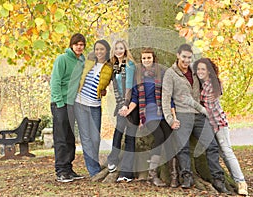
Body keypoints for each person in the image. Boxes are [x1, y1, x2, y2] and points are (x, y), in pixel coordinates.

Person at [161, 44, 230, 193]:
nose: (186, 60)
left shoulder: (194, 70)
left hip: (199, 115)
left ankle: (218, 179)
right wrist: (170, 119)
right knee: (182, 147)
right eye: (184, 57)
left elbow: (209, 80)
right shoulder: (170, 74)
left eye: (189, 57)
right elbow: (165, 98)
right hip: (182, 115)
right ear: (178, 55)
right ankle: (186, 176)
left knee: (211, 145)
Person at [123, 48, 178, 187]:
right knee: (159, 138)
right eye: (144, 58)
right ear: (141, 61)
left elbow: (168, 96)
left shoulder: (162, 74)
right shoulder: (139, 76)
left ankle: (174, 176)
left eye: (149, 58)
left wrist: (173, 116)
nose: (146, 60)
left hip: (163, 112)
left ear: (153, 58)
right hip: (148, 115)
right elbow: (135, 97)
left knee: (170, 139)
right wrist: (128, 109)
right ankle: (152, 175)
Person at [192, 57, 248, 195]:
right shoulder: (201, 83)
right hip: (209, 124)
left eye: (203, 69)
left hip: (218, 123)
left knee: (227, 152)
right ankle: (236, 180)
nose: (200, 71)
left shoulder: (211, 84)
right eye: (198, 69)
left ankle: (241, 182)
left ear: (209, 71)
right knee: (220, 152)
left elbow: (209, 109)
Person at [74, 40, 113, 177]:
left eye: (102, 49)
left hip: (95, 105)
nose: (99, 52)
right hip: (80, 103)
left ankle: (94, 165)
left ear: (106, 51)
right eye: (97, 49)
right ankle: (93, 170)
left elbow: (110, 83)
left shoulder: (110, 67)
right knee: (86, 138)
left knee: (95, 138)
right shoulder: (88, 62)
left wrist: (103, 91)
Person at [50, 33, 86, 183]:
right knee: (61, 137)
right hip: (60, 104)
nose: (79, 47)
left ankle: (69, 169)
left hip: (73, 104)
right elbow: (55, 82)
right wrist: (59, 103)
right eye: (77, 44)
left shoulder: (82, 61)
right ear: (72, 45)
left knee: (70, 138)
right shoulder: (62, 59)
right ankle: (61, 171)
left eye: (82, 44)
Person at [106, 39, 137, 182]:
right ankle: (112, 159)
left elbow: (129, 86)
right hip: (121, 106)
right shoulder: (114, 66)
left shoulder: (129, 65)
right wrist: (120, 105)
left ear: (125, 50)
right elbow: (115, 87)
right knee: (118, 133)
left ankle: (127, 173)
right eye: (117, 48)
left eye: (121, 48)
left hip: (130, 107)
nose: (119, 50)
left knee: (130, 138)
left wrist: (126, 105)